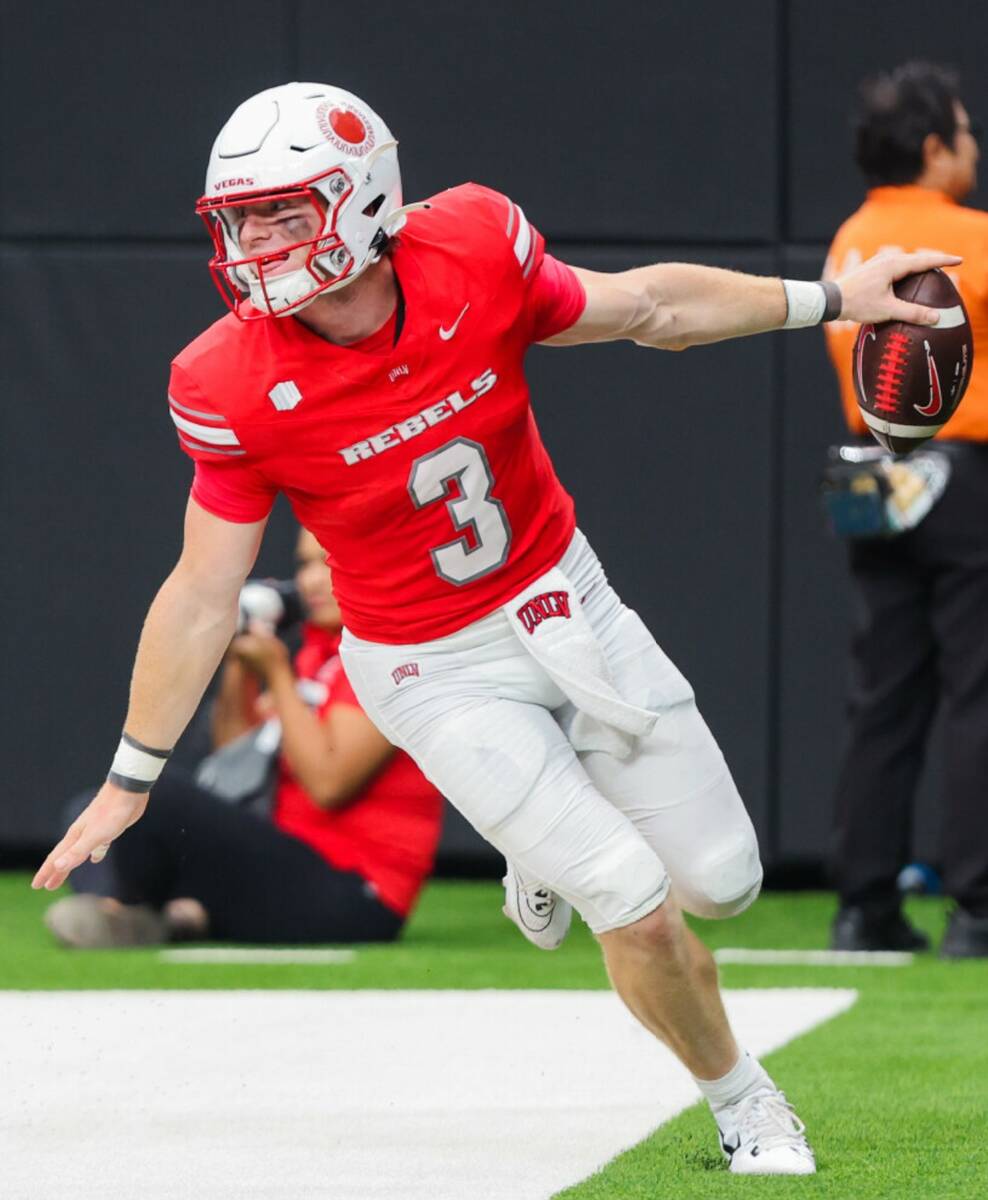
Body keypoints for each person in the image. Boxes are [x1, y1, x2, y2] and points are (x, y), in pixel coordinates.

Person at [31, 82, 957, 1176]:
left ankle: (544, 844)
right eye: (240, 219)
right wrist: (132, 775)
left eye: (284, 212)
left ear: (364, 196)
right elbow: (199, 592)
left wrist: (831, 297)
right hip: (429, 667)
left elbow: (647, 309)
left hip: (567, 599)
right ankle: (743, 1103)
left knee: (725, 884)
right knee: (632, 897)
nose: (256, 242)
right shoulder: (226, 377)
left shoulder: (471, 243)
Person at [43, 525, 444, 947]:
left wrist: (277, 674)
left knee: (154, 797)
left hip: (354, 894)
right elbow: (236, 758)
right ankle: (140, 915)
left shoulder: (397, 657)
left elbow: (330, 783)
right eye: (304, 564)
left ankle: (130, 909)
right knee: (93, 808)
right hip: (287, 864)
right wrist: (239, 659)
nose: (310, 580)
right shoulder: (318, 654)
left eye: (328, 563)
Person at [823, 62, 988, 959]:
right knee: (979, 687)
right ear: (933, 147)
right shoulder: (973, 237)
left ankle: (864, 904)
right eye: (964, 131)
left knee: (881, 691)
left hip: (869, 467)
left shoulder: (851, 241)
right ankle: (979, 907)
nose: (971, 146)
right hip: (967, 473)